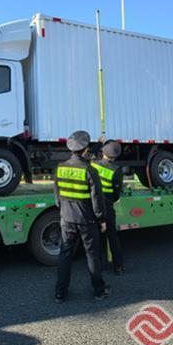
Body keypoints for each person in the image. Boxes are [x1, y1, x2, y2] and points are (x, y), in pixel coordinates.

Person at [54, 130, 110, 303]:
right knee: (92, 255)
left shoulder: (60, 168)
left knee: (65, 254)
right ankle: (99, 290)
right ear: (85, 149)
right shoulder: (90, 171)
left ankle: (60, 293)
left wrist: (64, 211)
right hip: (87, 220)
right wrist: (101, 219)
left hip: (66, 218)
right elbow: (97, 200)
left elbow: (57, 196)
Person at [91, 140, 125, 275]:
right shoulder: (116, 170)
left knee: (98, 235)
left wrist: (99, 143)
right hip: (107, 205)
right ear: (115, 156)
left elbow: (91, 154)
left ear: (103, 152)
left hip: (94, 204)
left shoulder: (94, 164)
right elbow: (116, 194)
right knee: (112, 236)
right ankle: (119, 266)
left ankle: (101, 264)